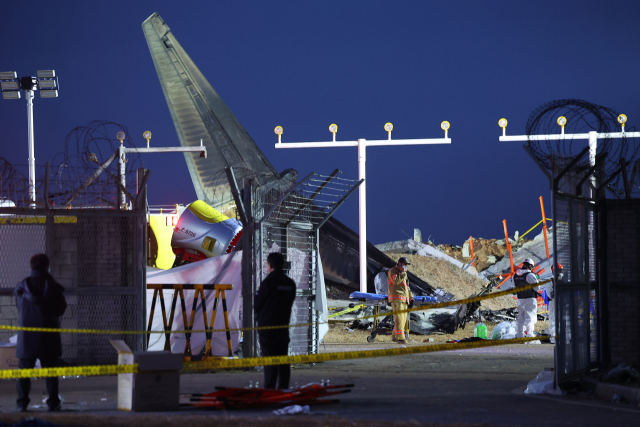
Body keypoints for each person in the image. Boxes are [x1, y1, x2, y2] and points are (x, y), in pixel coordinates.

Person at [14, 253, 67, 412]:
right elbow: (60, 310)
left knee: (24, 371)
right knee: (51, 371)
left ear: (31, 266)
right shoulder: (53, 287)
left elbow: (19, 308)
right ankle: (53, 403)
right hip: (48, 334)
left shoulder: (21, 287)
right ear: (47, 266)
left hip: (27, 335)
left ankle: (22, 404)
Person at [254, 252, 296, 389]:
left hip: (267, 327)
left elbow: (258, 304)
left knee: (270, 359)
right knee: (283, 359)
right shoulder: (290, 284)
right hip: (283, 326)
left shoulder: (268, 283)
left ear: (270, 265)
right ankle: (283, 388)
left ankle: (270, 389)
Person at [387, 257, 414, 344]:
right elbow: (396, 281)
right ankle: (401, 338)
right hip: (396, 298)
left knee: (402, 319)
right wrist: (402, 273)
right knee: (399, 319)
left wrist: (410, 297)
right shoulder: (393, 271)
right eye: (404, 264)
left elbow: (407, 287)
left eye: (406, 265)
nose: (405, 267)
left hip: (404, 299)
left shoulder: (404, 273)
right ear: (399, 264)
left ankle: (395, 336)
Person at [514, 258, 540, 339]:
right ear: (530, 266)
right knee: (530, 317)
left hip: (520, 298)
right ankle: (529, 335)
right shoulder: (530, 275)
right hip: (530, 298)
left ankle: (519, 335)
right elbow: (537, 288)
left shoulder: (515, 276)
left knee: (520, 317)